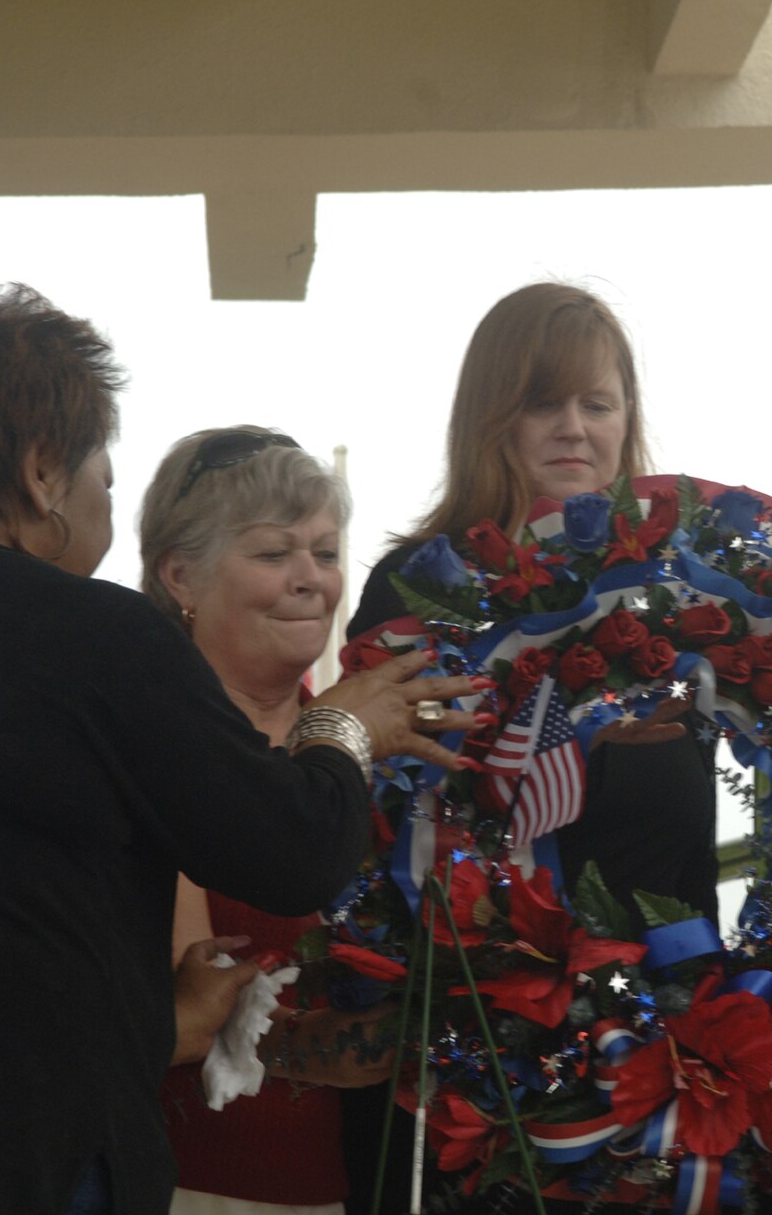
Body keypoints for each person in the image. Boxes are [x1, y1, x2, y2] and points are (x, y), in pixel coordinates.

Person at [0, 288, 479, 1215]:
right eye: (103, 477)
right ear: (43, 474)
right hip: (12, 1159)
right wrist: (346, 725)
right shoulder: (84, 633)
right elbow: (292, 852)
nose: (104, 503)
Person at [342, 282, 717, 1211]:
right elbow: (385, 816)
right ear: (491, 420)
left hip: (656, 1053)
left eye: (599, 403)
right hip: (468, 1058)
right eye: (544, 403)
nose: (574, 429)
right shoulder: (414, 591)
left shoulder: (686, 596)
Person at [141, 427, 459, 1214]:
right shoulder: (153, 744)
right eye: (275, 553)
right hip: (192, 1182)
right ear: (181, 574)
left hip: (353, 1184)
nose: (310, 579)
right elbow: (189, 1006)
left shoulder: (391, 750)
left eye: (324, 551)